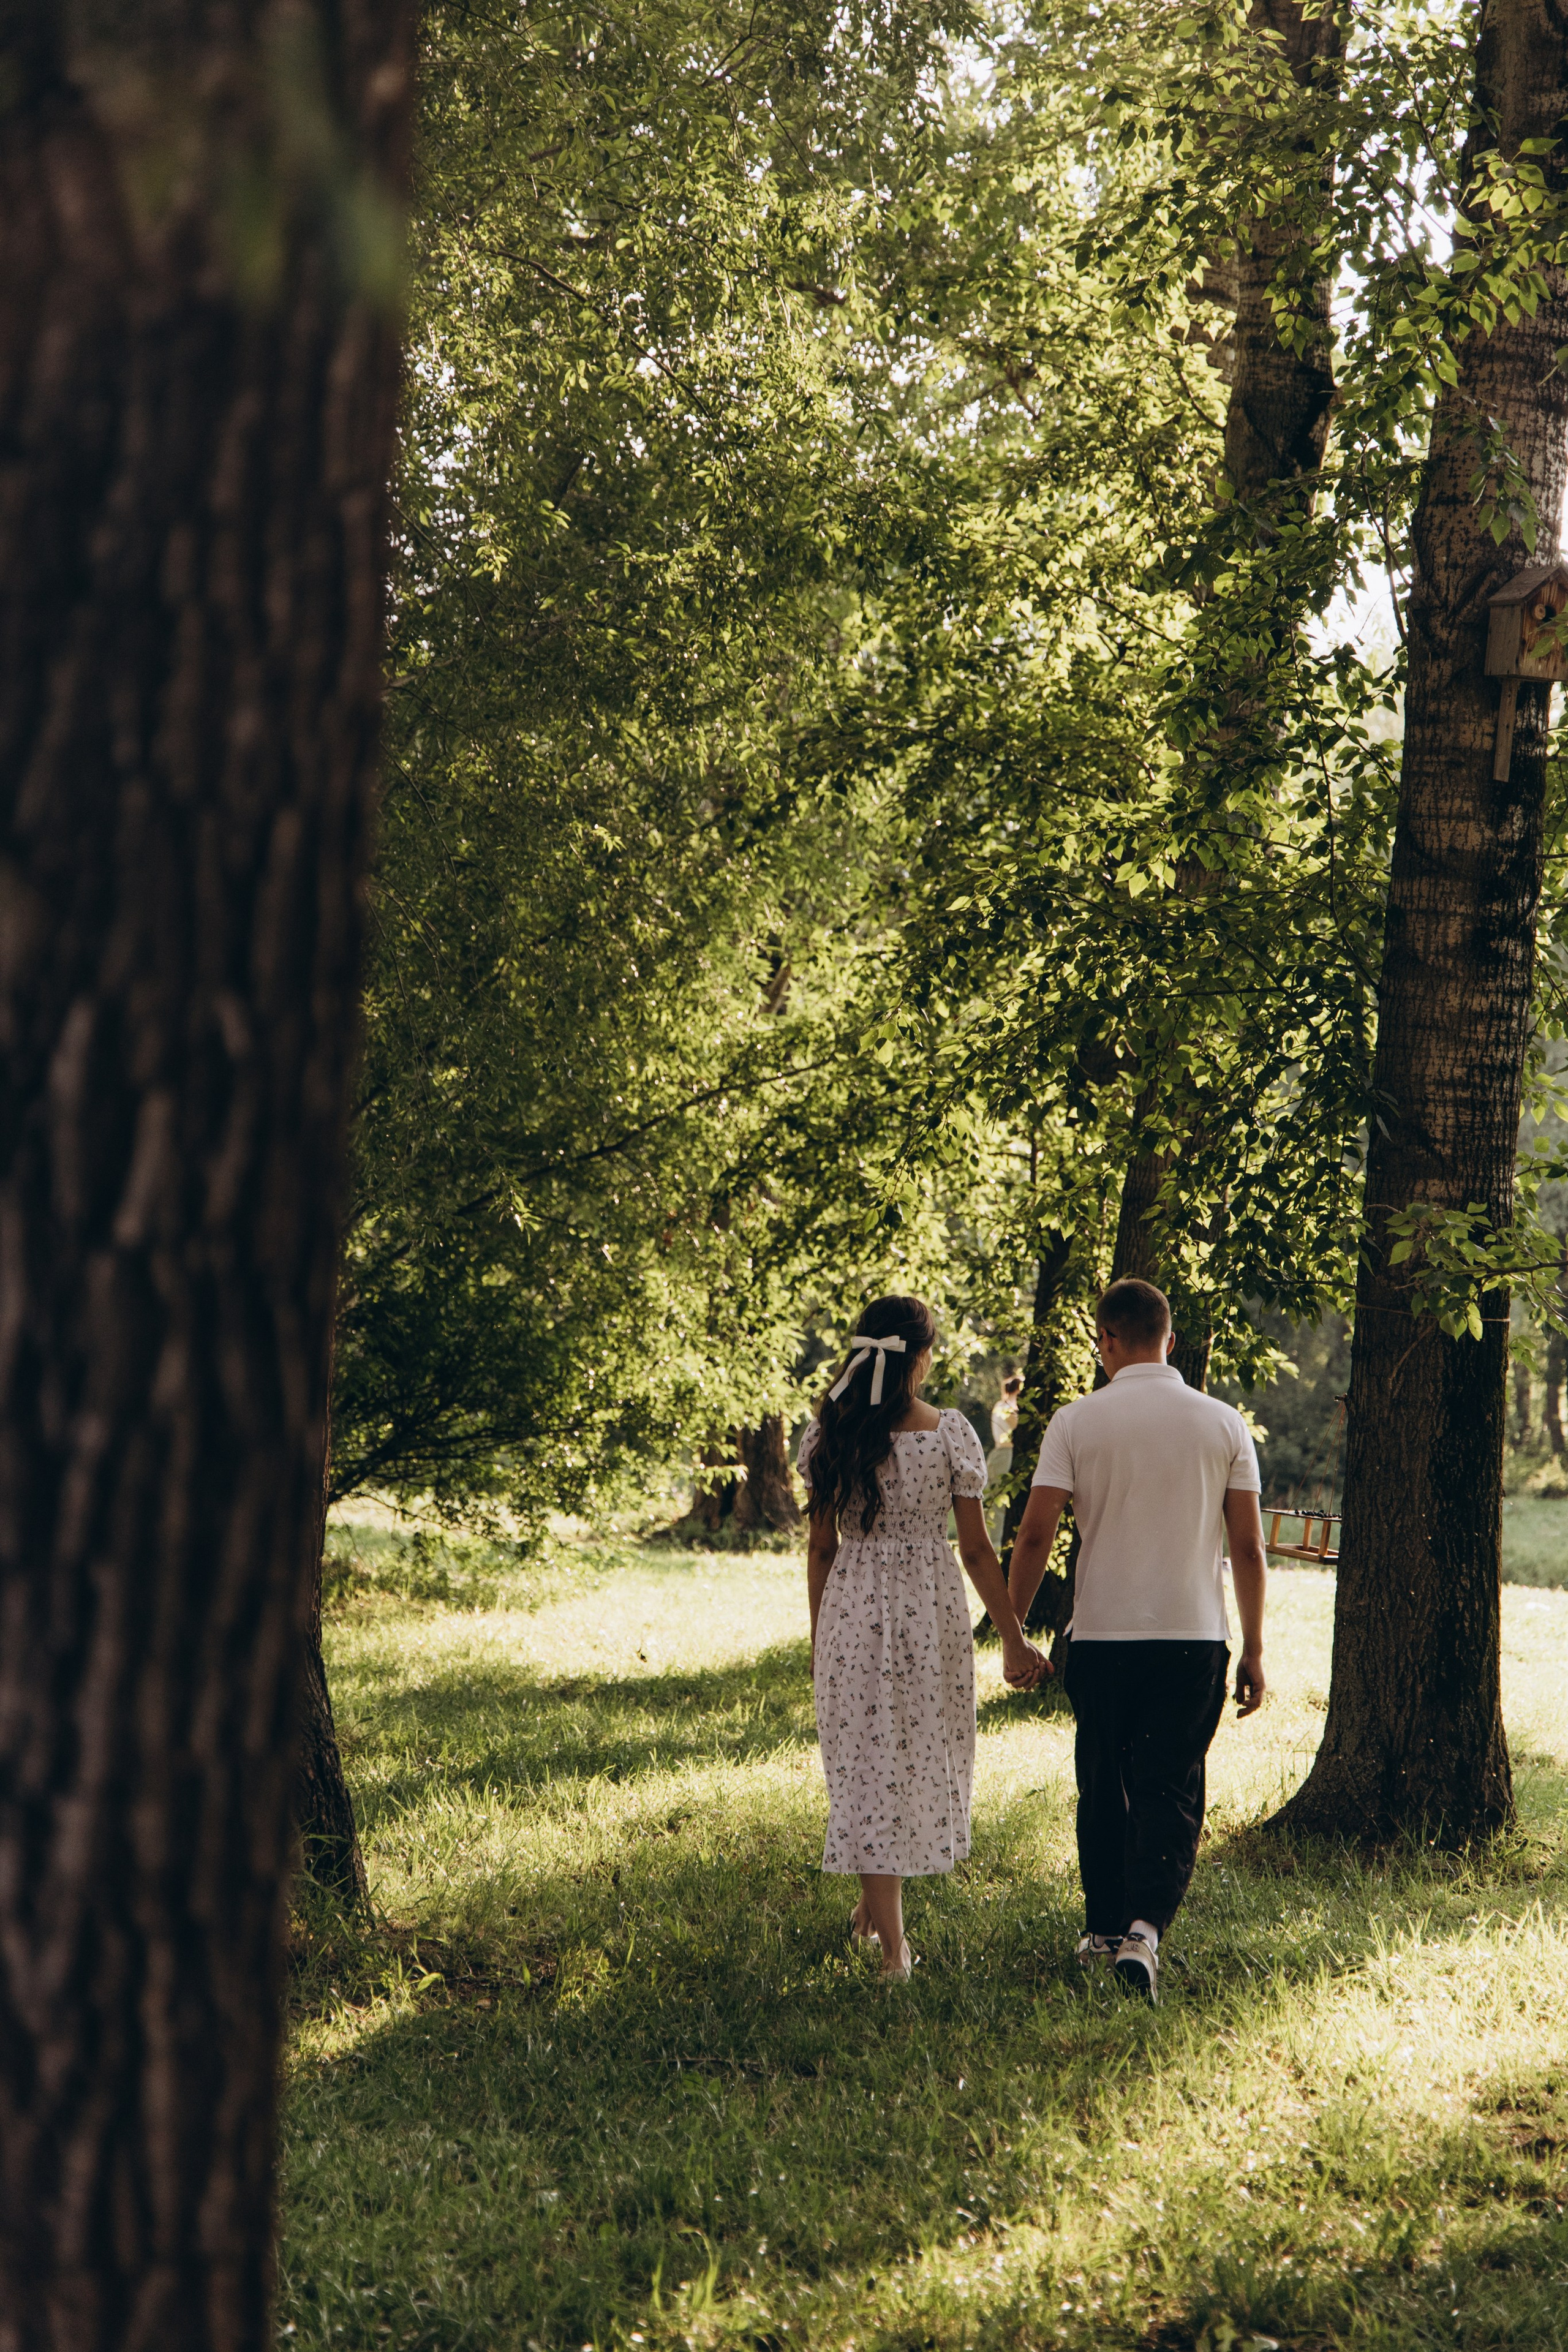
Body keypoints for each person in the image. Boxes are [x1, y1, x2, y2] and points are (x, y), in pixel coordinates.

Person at [1005, 1276, 1268, 2005]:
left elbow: (1034, 1533)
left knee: (1103, 1781)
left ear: (1106, 1342)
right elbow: (1246, 1547)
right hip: (1192, 1637)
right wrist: (1253, 1647)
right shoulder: (1222, 1423)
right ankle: (1145, 1932)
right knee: (1170, 1788)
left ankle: (1099, 1930)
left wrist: (1015, 1632)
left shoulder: (1075, 1422)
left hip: (1101, 1637)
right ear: (1171, 1340)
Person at [800, 1295, 1047, 1979]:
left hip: (852, 1606)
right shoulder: (950, 1434)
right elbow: (974, 1552)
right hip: (927, 1612)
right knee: (902, 1754)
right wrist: (1013, 1639)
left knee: (866, 1756)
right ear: (919, 1357)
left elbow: (821, 1548)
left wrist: (824, 1638)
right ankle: (891, 1953)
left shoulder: (832, 1431)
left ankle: (869, 1910)